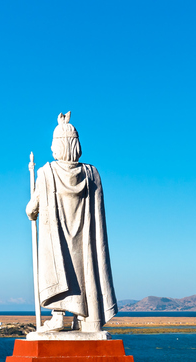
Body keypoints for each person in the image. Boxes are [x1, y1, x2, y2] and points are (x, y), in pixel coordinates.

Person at [26, 112, 118, 333]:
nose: (50, 149)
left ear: (59, 146)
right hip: (85, 241)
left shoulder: (46, 173)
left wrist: (30, 210)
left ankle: (57, 317)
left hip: (56, 239)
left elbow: (32, 210)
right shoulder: (92, 174)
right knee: (85, 269)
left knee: (57, 268)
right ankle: (86, 317)